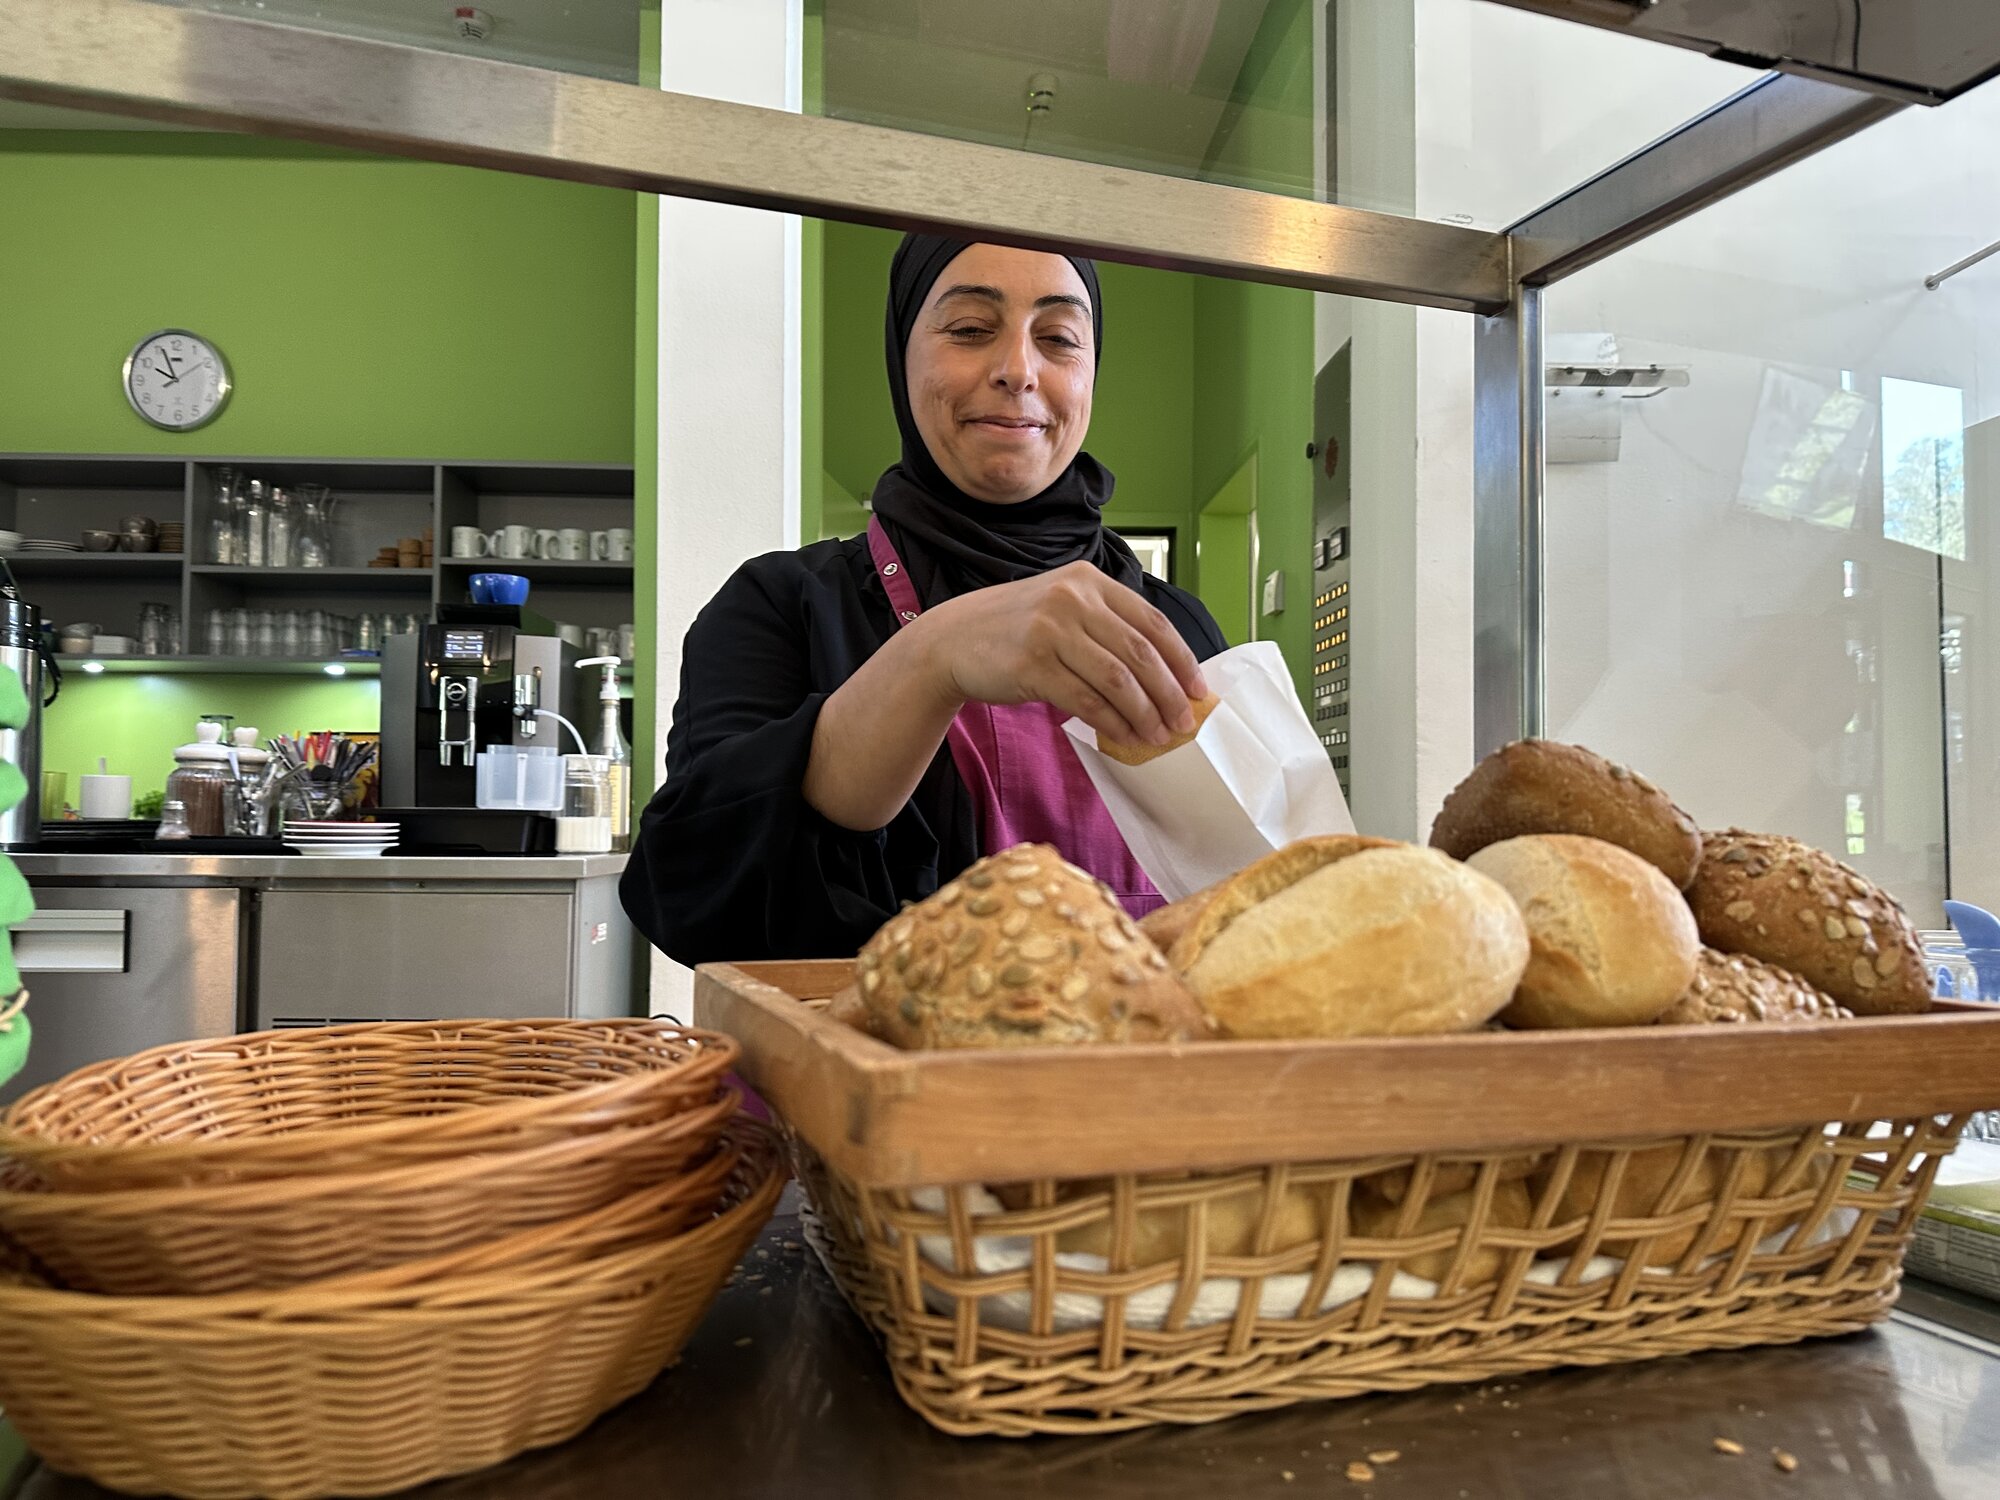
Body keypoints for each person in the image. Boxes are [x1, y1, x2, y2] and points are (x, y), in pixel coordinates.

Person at [621, 234, 1226, 965]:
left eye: (1059, 338)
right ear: (901, 355)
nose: (1017, 370)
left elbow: (1234, 900)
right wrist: (932, 658)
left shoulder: (1177, 626)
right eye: (971, 330)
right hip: (857, 1079)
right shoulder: (782, 608)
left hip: (1150, 1074)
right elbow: (697, 899)